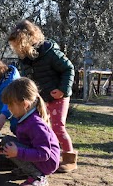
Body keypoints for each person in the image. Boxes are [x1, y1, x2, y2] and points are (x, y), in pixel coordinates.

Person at [8, 19, 77, 173]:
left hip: (58, 96)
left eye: (17, 45)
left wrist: (62, 90)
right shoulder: (25, 58)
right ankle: (44, 156)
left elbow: (69, 69)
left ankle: (69, 159)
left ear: (28, 39)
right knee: (42, 128)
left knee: (58, 127)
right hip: (41, 99)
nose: (15, 49)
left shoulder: (50, 52)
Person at [1, 77, 60, 186]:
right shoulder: (26, 118)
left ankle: (38, 176)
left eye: (11, 105)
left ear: (25, 104)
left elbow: (44, 153)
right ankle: (26, 170)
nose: (9, 108)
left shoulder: (36, 124)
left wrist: (18, 152)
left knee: (9, 145)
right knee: (7, 141)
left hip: (46, 163)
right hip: (39, 157)